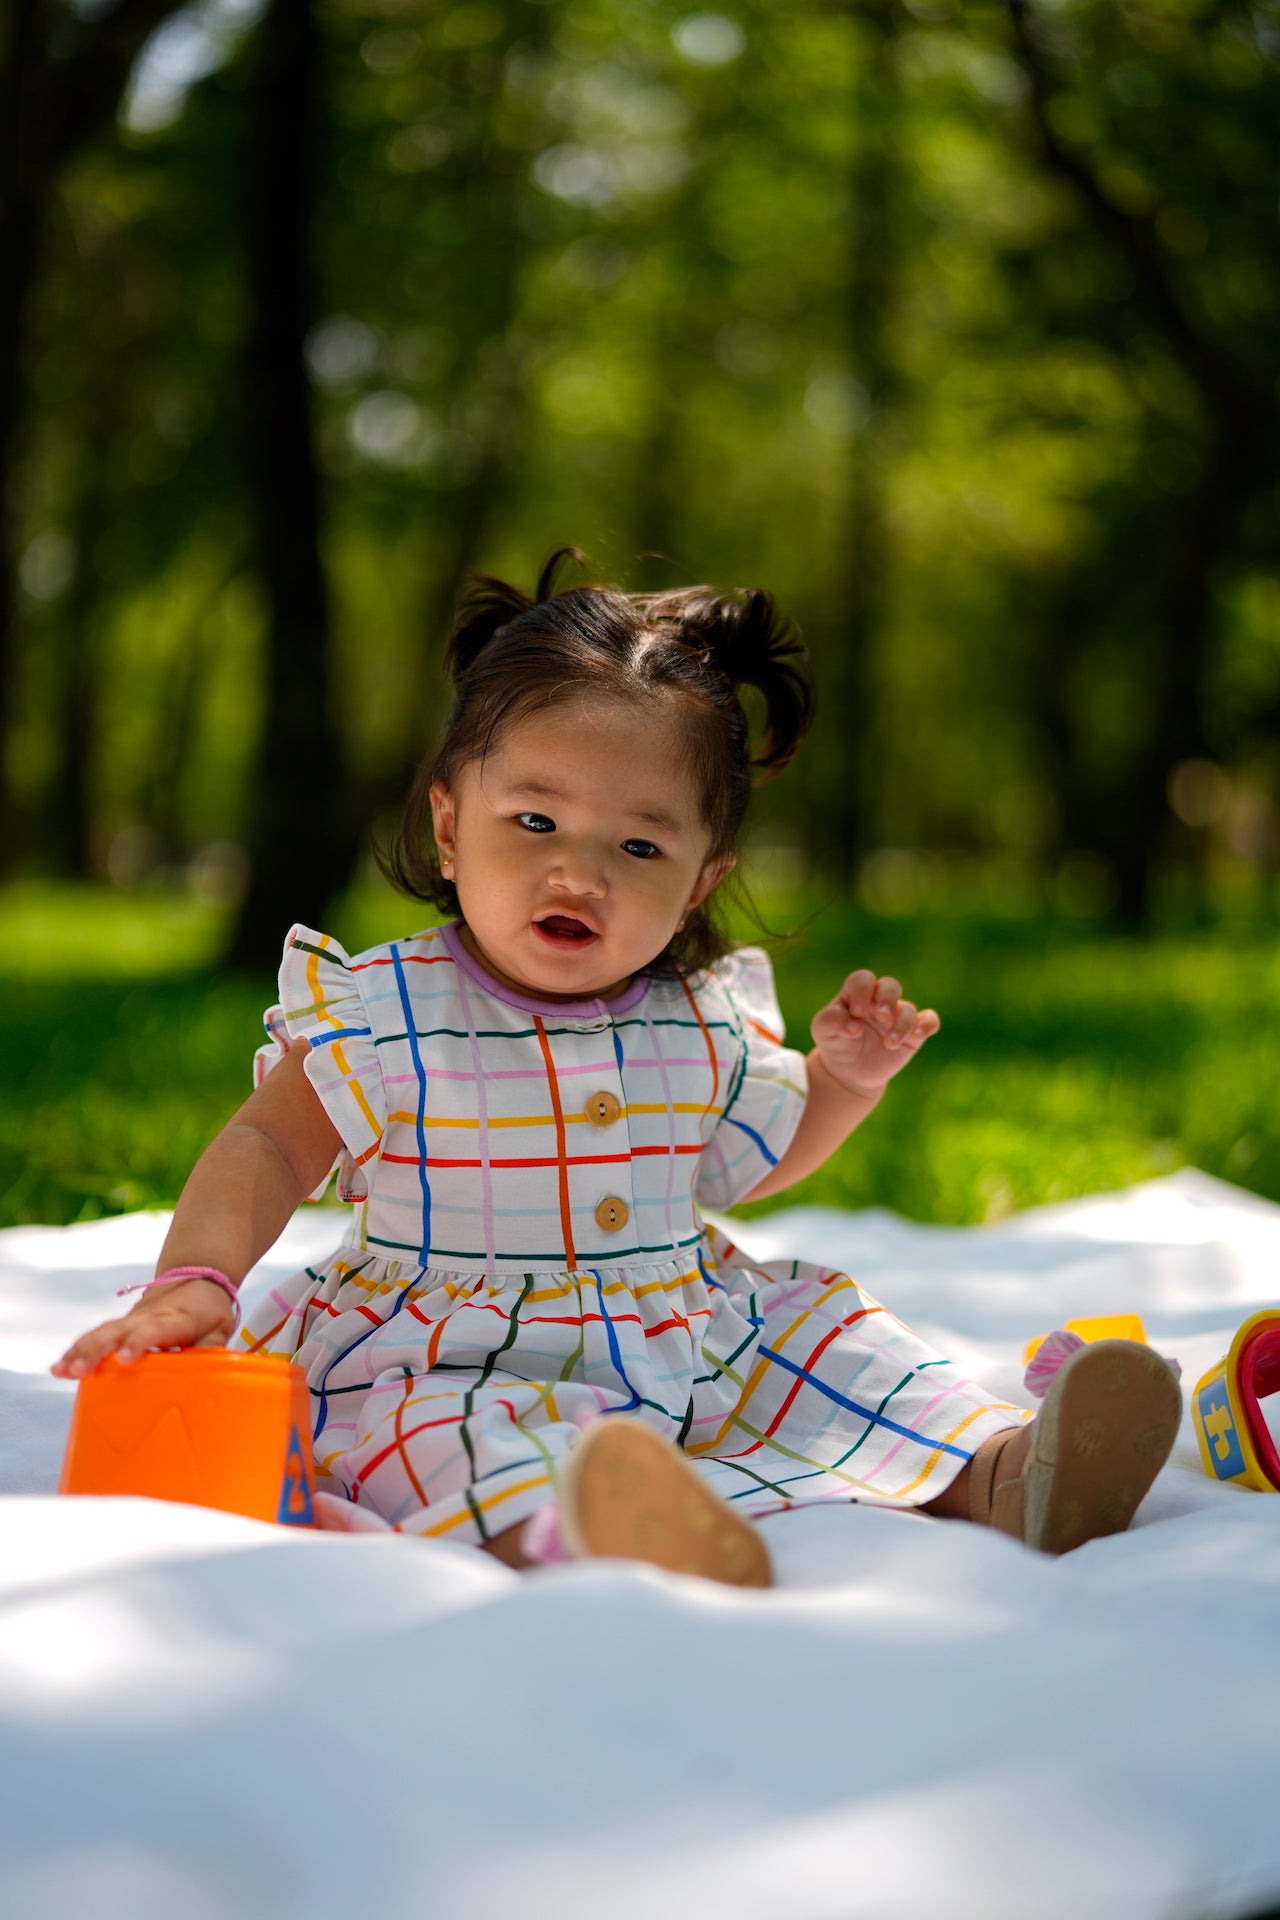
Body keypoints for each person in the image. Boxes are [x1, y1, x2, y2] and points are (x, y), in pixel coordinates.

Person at [52, 553, 1182, 1584]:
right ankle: (588, 1524)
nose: (579, 872)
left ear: (698, 881)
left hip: (680, 1330)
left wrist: (843, 1083)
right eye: (533, 820)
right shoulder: (383, 1013)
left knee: (828, 1340)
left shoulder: (696, 1018)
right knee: (442, 1442)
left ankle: (1005, 1471)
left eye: (638, 846)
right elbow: (266, 1144)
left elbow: (755, 1162)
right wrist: (194, 1280)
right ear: (449, 829)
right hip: (449, 1352)